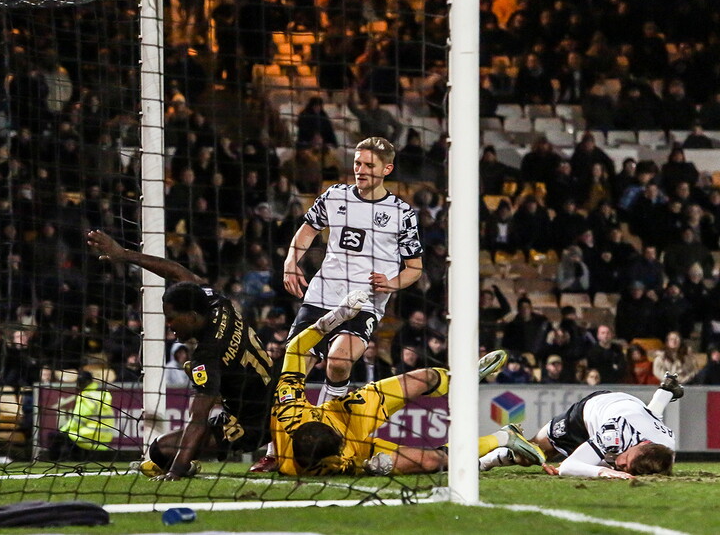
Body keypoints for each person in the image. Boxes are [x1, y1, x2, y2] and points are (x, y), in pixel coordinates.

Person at [270, 290, 544, 476]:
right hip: (359, 452)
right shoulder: (310, 466)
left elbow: (295, 348)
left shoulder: (288, 409)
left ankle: (461, 380)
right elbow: (356, 465)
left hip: (343, 413)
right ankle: (504, 437)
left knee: (423, 378)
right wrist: (373, 467)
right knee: (433, 461)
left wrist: (339, 315)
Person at [87, 230, 276, 480]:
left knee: (160, 451)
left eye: (173, 319)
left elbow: (198, 419)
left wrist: (175, 472)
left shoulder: (207, 355)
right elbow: (178, 273)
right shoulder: (217, 302)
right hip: (276, 399)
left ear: (193, 317)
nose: (170, 325)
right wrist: (123, 254)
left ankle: (186, 467)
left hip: (250, 425)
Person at [282, 136, 423, 407]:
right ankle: (275, 444)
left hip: (364, 302)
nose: (361, 170)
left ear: (386, 170)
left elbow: (415, 268)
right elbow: (308, 230)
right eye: (358, 163)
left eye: (369, 165)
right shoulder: (335, 196)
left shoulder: (401, 213)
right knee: (291, 371)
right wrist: (291, 261)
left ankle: (328, 418)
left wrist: (392, 283)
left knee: (338, 362)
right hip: (322, 295)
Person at [482, 378, 683, 478]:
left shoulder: (666, 446)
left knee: (604, 459)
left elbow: (652, 415)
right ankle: (485, 460)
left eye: (624, 467)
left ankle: (665, 392)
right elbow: (568, 467)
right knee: (533, 455)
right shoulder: (617, 431)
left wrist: (662, 398)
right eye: (625, 461)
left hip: (629, 407)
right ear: (643, 445)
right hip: (588, 414)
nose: (620, 463)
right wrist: (606, 472)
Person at [44, 370, 118, 462]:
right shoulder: (102, 395)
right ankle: (75, 458)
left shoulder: (86, 396)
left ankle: (56, 462)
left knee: (55, 436)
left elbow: (78, 419)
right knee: (68, 436)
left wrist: (63, 429)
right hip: (106, 438)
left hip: (89, 436)